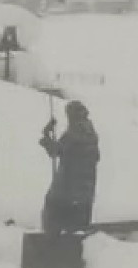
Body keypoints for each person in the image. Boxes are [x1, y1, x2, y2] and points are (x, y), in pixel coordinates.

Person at [39, 100, 100, 235]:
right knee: (76, 229)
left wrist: (46, 137)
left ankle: (51, 250)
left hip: (68, 189)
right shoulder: (91, 133)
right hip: (85, 192)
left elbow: (57, 150)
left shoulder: (75, 131)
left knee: (52, 216)